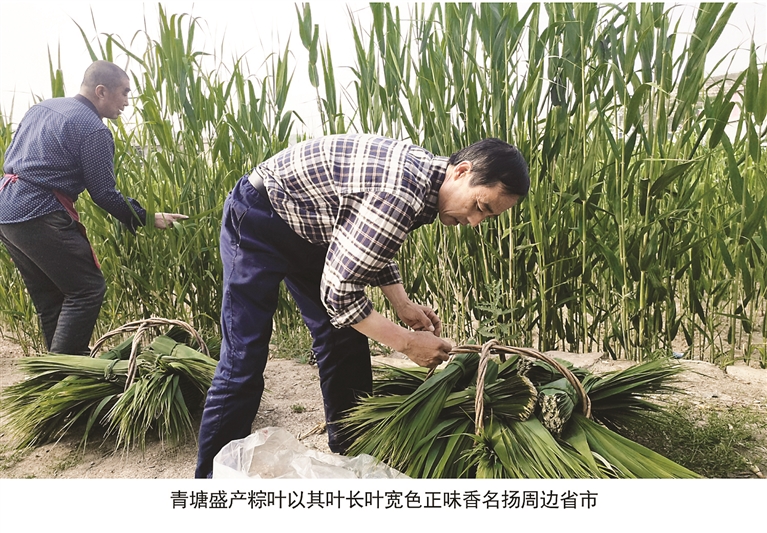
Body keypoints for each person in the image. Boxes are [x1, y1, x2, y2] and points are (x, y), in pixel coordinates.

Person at [195, 134, 529, 478]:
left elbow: (369, 242)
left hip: (314, 229)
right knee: (244, 358)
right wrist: (407, 343)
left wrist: (402, 304)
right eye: (480, 207)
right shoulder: (401, 192)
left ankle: (352, 451)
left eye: (487, 217)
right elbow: (339, 295)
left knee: (344, 339)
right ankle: (210, 483)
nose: (474, 222)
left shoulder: (426, 182)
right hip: (259, 219)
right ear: (461, 172)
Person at [0, 60, 188, 356]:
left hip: (7, 210)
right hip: (40, 211)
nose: (127, 102)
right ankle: (67, 369)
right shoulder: (93, 129)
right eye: (124, 93)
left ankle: (59, 371)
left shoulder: (42, 108)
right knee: (87, 288)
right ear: (101, 91)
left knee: (51, 297)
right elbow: (104, 194)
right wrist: (146, 217)